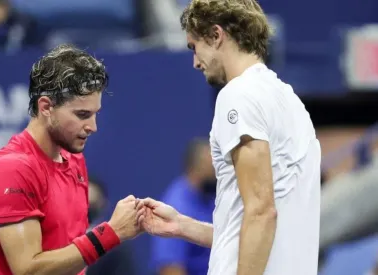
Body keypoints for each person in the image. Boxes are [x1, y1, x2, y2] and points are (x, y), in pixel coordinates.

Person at [139, 1, 321, 275]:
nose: (195, 62)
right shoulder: (291, 103)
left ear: (216, 35)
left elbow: (261, 212)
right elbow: (261, 230)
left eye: (194, 47)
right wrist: (183, 226)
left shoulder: (238, 95)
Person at [0, 44, 145, 275]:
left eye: (95, 114)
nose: (93, 127)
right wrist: (111, 233)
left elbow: (71, 258)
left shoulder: (74, 160)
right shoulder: (12, 169)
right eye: (82, 115)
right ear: (46, 107)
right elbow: (29, 271)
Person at [151, 138, 216, 275]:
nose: (218, 174)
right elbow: (170, 268)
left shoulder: (212, 198)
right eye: (213, 168)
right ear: (196, 168)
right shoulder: (176, 206)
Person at [86, 177, 137, 275]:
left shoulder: (115, 248)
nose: (87, 209)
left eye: (92, 204)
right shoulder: (55, 240)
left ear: (103, 205)